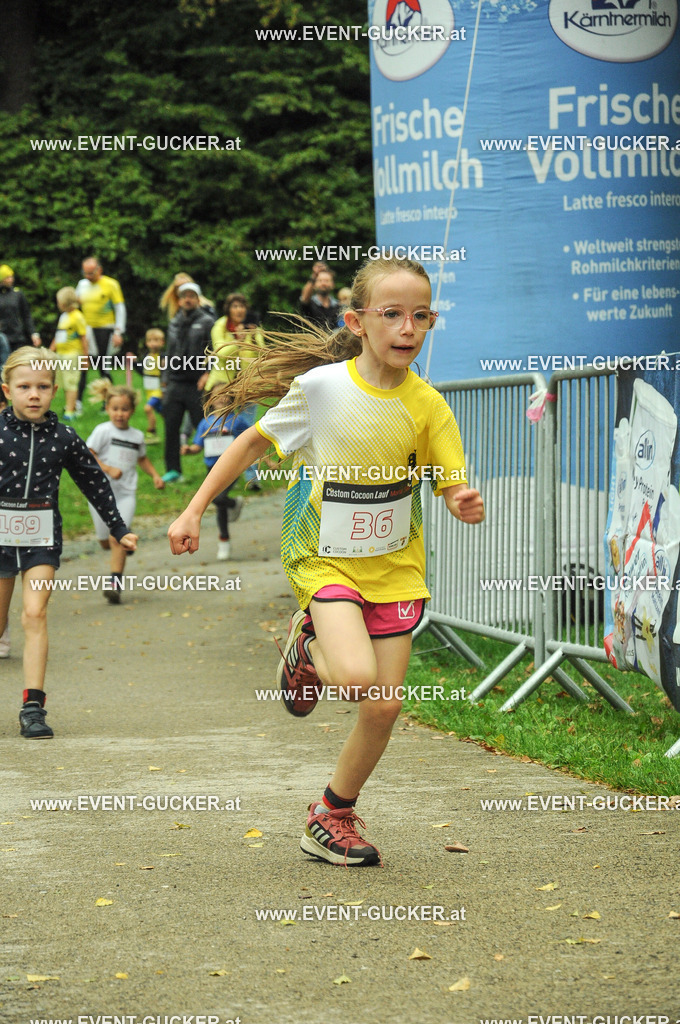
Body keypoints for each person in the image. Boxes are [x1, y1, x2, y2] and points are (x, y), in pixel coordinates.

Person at [168, 257, 485, 865]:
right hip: (322, 556)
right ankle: (309, 644)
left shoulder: (429, 407)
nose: (407, 328)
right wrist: (192, 510)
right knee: (358, 678)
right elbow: (252, 441)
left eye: (421, 316)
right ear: (357, 322)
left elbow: (449, 479)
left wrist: (459, 497)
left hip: (395, 566)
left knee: (384, 704)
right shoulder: (323, 390)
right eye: (391, 314)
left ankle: (331, 814)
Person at [0, 348, 137, 738]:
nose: (33, 395)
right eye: (24, 387)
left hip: (41, 539)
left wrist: (118, 528)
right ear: (6, 389)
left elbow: (94, 481)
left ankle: (32, 708)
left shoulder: (63, 437)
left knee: (34, 614)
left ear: (55, 391)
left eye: (42, 387)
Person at [86, 381, 164, 603]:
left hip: (125, 494)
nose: (119, 414)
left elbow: (142, 458)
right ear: (107, 408)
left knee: (116, 539)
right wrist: (108, 468)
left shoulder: (137, 436)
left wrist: (155, 475)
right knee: (104, 541)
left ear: (132, 410)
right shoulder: (103, 431)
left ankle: (114, 585)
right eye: (115, 409)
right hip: (100, 495)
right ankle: (124, 543)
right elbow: (88, 454)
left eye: (124, 409)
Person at [204, 292, 265, 490]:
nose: (239, 310)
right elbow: (220, 352)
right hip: (223, 386)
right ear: (228, 309)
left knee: (248, 432)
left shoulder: (252, 327)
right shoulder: (220, 326)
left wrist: (251, 337)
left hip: (248, 387)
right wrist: (237, 340)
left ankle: (252, 478)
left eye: (242, 306)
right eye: (235, 306)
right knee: (222, 432)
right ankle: (221, 478)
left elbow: (262, 352)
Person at [161, 282, 214, 483]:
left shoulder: (208, 321)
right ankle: (173, 470)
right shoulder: (174, 322)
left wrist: (208, 373)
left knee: (206, 427)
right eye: (184, 296)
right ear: (179, 300)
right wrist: (164, 380)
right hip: (174, 382)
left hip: (196, 383)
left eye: (192, 295)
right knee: (171, 427)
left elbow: (215, 350)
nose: (187, 299)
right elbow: (168, 352)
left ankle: (215, 469)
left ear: (198, 299)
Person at [181, 408, 249, 560]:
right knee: (219, 504)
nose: (222, 399)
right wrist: (189, 450)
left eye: (226, 396)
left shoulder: (237, 420)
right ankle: (224, 540)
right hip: (212, 469)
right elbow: (198, 445)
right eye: (218, 395)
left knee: (218, 498)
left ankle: (232, 504)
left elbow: (251, 442)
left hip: (233, 467)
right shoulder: (206, 423)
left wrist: (267, 459)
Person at [75, 256, 126, 401]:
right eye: (85, 273)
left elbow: (120, 308)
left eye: (91, 273)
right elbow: (74, 304)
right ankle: (77, 402)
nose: (88, 276)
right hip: (87, 330)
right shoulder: (82, 285)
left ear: (100, 270)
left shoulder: (111, 284)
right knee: (83, 366)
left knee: (103, 366)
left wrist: (118, 331)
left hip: (105, 329)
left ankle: (109, 401)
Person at [50, 286, 88, 421]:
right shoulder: (64, 316)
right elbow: (58, 335)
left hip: (72, 355)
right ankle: (68, 405)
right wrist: (50, 351)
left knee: (71, 382)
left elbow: (84, 338)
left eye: (59, 301)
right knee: (64, 383)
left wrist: (85, 358)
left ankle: (71, 411)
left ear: (65, 302)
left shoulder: (78, 317)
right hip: (61, 354)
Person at [0, 264, 41, 351]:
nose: (11, 279)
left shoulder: (17, 293)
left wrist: (33, 333)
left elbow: (26, 315)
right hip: (2, 337)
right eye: (8, 277)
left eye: (11, 277)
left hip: (17, 337)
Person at [136, 327, 165, 444]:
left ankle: (151, 432)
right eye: (151, 340)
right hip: (149, 390)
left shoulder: (163, 357)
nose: (153, 343)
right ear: (147, 342)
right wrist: (133, 363)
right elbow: (142, 372)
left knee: (148, 408)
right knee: (164, 414)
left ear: (162, 342)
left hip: (158, 390)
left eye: (157, 340)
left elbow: (165, 372)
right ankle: (174, 431)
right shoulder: (146, 356)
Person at [299, 263, 339, 331]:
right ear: (314, 285)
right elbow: (304, 298)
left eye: (326, 281)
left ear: (332, 284)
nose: (323, 283)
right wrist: (314, 275)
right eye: (320, 280)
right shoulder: (310, 304)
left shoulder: (338, 306)